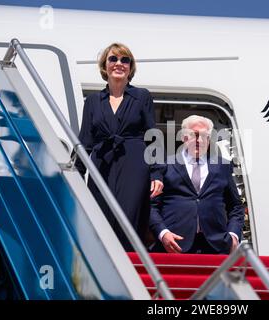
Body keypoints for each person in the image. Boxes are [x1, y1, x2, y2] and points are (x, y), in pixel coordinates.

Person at [75, 43, 164, 251]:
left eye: (125, 60)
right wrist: (77, 174)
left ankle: (130, 269)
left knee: (128, 218)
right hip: (101, 164)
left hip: (134, 163)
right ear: (104, 66)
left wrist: (157, 173)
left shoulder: (141, 96)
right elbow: (85, 139)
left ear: (130, 67)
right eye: (113, 59)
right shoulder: (93, 101)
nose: (119, 64)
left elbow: (153, 136)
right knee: (100, 217)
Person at [149, 115, 245, 254]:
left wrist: (234, 235)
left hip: (216, 246)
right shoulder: (165, 165)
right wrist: (163, 233)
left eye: (204, 136)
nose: (199, 140)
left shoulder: (222, 166)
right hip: (174, 245)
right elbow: (151, 206)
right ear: (184, 137)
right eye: (194, 135)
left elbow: (236, 206)